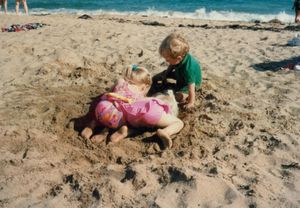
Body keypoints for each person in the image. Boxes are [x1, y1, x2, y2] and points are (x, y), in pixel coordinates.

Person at [81, 65, 184, 149]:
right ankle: (165, 132)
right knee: (178, 123)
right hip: (127, 116)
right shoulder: (142, 97)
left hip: (102, 110)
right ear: (144, 86)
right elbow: (139, 104)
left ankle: (92, 126)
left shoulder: (120, 82)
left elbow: (109, 93)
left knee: (111, 109)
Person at [152, 33, 202, 109]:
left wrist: (191, 102)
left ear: (178, 58)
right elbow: (171, 66)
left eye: (168, 59)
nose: (166, 61)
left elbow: (191, 87)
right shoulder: (177, 59)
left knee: (179, 97)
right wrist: (165, 77)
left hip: (188, 84)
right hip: (179, 73)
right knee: (156, 78)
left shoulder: (188, 68)